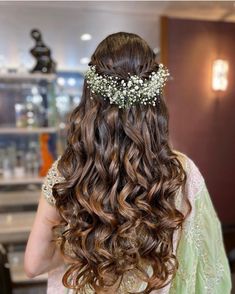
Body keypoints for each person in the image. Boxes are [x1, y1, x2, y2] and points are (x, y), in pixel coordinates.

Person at [24, 32, 232, 294]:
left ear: (91, 96)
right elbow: (209, 268)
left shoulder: (67, 171)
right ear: (154, 102)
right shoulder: (181, 173)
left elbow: (33, 264)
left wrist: (85, 247)